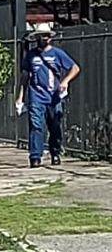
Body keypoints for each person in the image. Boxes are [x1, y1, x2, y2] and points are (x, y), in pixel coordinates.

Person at [16, 23, 80, 168]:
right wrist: (20, 98)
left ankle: (55, 152)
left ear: (50, 38)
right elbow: (24, 76)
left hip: (53, 96)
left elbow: (74, 68)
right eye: (41, 36)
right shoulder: (31, 56)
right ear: (37, 37)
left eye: (46, 36)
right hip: (35, 96)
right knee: (36, 126)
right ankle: (35, 156)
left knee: (54, 125)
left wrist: (65, 81)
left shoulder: (57, 54)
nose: (43, 38)